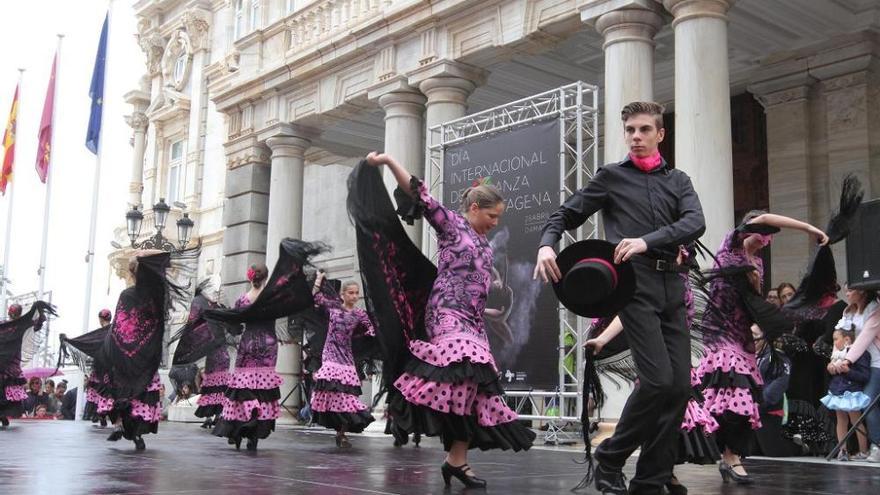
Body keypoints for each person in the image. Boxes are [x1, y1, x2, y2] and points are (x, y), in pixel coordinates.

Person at [535, 101, 705, 495]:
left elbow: (695, 222)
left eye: (645, 129)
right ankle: (611, 458)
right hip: (634, 289)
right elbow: (563, 215)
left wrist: (648, 241)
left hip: (673, 289)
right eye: (630, 130)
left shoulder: (678, 180)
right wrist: (547, 245)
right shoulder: (610, 177)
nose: (636, 137)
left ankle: (652, 477)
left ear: (660, 134)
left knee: (679, 387)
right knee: (659, 381)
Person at [362, 152, 535, 489]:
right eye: (491, 215)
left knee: (476, 390)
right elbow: (419, 194)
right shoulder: (452, 226)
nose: (495, 223)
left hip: (471, 320)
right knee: (464, 371)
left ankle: (457, 461)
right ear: (473, 208)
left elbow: (476, 287)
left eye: (499, 218)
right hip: (446, 315)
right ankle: (403, 401)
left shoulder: (484, 245)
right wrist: (387, 161)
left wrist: (487, 312)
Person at [694, 210, 827, 484]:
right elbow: (764, 218)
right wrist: (809, 229)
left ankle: (729, 455)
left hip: (743, 334)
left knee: (742, 397)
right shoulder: (730, 246)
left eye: (768, 238)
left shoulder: (757, 264)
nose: (765, 240)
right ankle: (729, 456)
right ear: (749, 228)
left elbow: (753, 305)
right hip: (719, 330)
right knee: (731, 389)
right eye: (763, 233)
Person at [101, 250, 186, 450]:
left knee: (124, 391)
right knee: (142, 392)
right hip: (147, 352)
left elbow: (120, 326)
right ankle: (137, 433)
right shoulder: (155, 296)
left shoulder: (126, 295)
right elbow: (159, 324)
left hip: (127, 352)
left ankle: (121, 424)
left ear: (131, 273)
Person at [310, 275, 376, 447]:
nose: (354, 296)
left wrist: (369, 334)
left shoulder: (359, 313)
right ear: (343, 294)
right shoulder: (333, 308)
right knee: (332, 388)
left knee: (347, 395)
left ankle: (342, 433)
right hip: (330, 353)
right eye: (351, 293)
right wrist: (318, 280)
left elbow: (372, 327)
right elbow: (315, 297)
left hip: (346, 356)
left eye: (357, 293)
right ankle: (332, 422)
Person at [830, 288, 880, 462]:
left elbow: (864, 339)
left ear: (863, 292)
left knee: (868, 401)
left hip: (874, 362)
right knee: (850, 409)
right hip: (852, 363)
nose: (847, 293)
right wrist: (835, 359)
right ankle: (850, 449)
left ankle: (876, 446)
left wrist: (847, 360)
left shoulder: (875, 310)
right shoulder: (848, 311)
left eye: (851, 289)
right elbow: (840, 337)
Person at [821, 328, 871, 460]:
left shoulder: (861, 354)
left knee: (856, 420)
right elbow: (835, 374)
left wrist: (848, 371)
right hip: (838, 390)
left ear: (847, 339)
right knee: (841, 420)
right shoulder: (838, 355)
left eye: (836, 339)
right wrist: (832, 369)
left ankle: (863, 450)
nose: (834, 343)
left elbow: (864, 376)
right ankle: (842, 450)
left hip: (851, 392)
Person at [1, 302, 54, 427]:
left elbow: (37, 324)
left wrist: (39, 313)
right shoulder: (18, 324)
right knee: (7, 387)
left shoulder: (7, 324)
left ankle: (3, 414)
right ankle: (3, 414)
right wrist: (39, 313)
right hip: (9, 361)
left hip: (8, 361)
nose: (12, 315)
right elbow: (38, 324)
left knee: (6, 387)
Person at [752, 324, 800, 457]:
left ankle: (799, 447)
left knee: (772, 451)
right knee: (750, 450)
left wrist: (761, 402)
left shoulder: (777, 357)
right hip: (749, 409)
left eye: (755, 336)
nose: (751, 338)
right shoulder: (749, 355)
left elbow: (780, 382)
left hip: (767, 408)